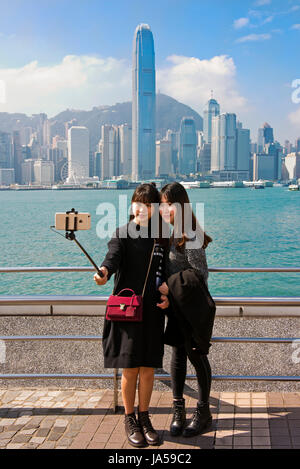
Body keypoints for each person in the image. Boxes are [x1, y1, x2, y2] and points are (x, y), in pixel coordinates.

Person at [94, 183, 169, 448]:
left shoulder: (162, 236)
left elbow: (167, 270)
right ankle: (129, 418)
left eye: (148, 205)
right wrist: (103, 273)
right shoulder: (122, 234)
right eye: (138, 202)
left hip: (152, 311)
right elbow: (111, 259)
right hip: (127, 311)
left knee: (148, 368)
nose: (142, 208)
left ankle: (145, 417)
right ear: (132, 205)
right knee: (130, 369)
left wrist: (168, 292)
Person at [158, 182, 214, 437]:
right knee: (178, 356)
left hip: (191, 308)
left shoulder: (189, 233)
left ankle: (203, 412)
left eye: (166, 204)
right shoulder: (170, 233)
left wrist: (170, 286)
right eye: (160, 204)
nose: (162, 209)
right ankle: (178, 408)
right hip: (177, 308)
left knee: (196, 356)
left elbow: (200, 274)